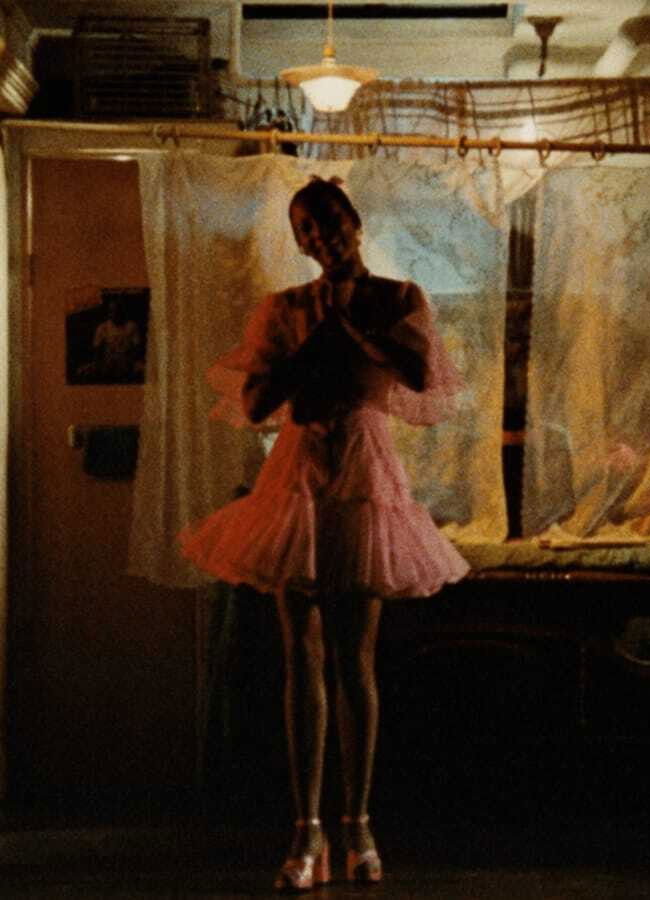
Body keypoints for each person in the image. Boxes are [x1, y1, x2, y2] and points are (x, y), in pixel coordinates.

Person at [181, 176, 470, 891]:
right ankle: (305, 829)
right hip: (300, 472)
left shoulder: (399, 297)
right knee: (300, 654)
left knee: (355, 658)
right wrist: (311, 348)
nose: (321, 236)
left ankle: (359, 824)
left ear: (354, 221)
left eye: (329, 221)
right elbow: (256, 402)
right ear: (301, 242)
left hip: (365, 472)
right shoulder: (284, 309)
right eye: (306, 229)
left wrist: (354, 330)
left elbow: (424, 377)